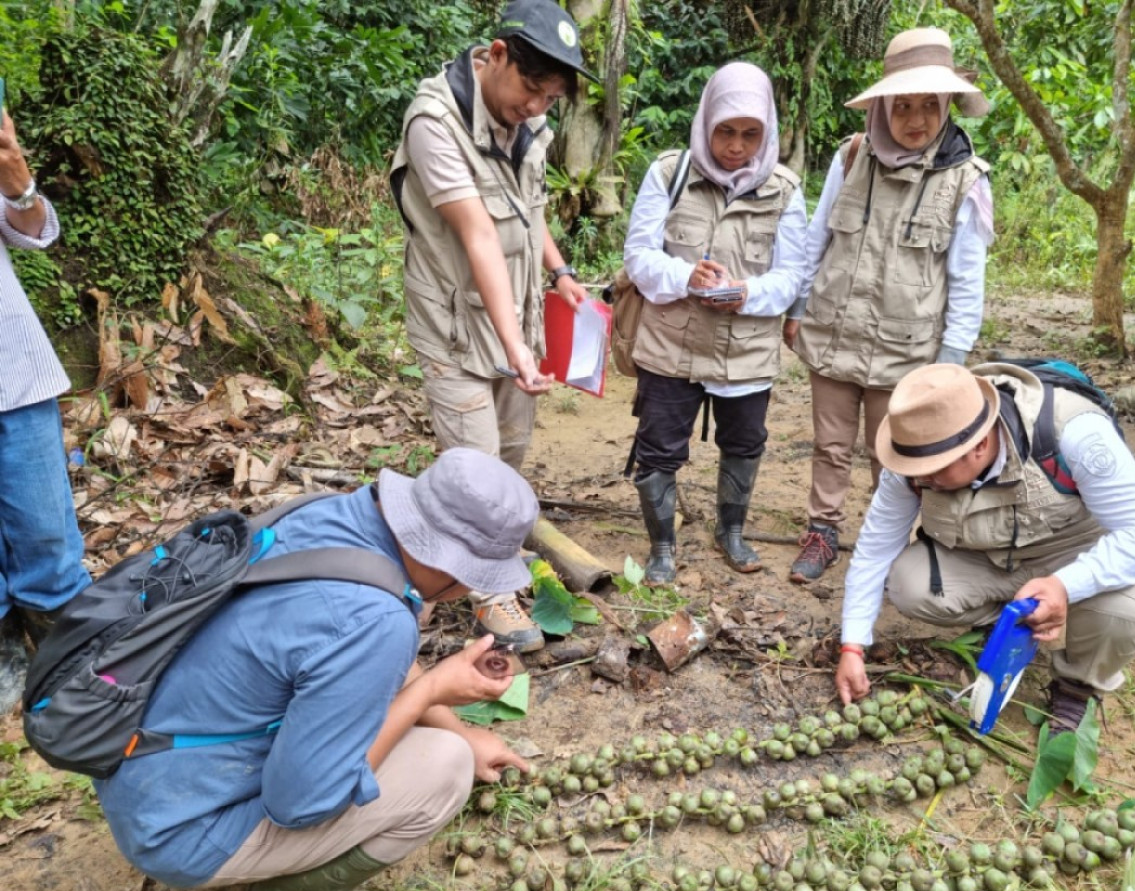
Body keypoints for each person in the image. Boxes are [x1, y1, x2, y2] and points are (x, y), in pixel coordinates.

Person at [93, 449, 536, 891]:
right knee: (445, 766)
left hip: (133, 765)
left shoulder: (332, 516)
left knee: (448, 740)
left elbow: (354, 646)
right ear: (447, 562)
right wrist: (432, 690)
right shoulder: (376, 621)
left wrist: (463, 729)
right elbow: (301, 806)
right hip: (177, 829)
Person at [388, 0, 594, 653]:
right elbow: (477, 233)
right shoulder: (434, 120)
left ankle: (480, 554)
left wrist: (559, 272)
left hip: (516, 318)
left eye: (550, 98)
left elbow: (525, 215)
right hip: (456, 326)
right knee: (472, 461)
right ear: (496, 54)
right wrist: (514, 349)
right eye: (531, 90)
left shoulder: (528, 128)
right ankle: (486, 597)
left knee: (507, 457)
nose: (537, 107)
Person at [833, 363, 1135, 735]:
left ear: (979, 444)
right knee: (910, 585)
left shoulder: (1072, 432)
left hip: (1071, 550)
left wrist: (1066, 585)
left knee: (1124, 611)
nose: (919, 479)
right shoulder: (916, 452)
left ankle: (1077, 686)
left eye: (933, 471)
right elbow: (876, 548)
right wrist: (852, 645)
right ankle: (1007, 624)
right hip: (985, 556)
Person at [784, 27, 995, 584]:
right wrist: (798, 307)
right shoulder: (851, 155)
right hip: (834, 330)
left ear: (950, 105)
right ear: (882, 104)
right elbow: (815, 239)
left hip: (907, 351)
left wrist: (950, 362)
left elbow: (966, 281)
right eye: (903, 104)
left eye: (930, 104)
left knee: (894, 460)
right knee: (829, 445)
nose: (916, 118)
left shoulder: (965, 181)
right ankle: (822, 533)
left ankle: (891, 547)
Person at [623, 61, 807, 584]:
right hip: (671, 344)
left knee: (745, 442)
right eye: (725, 131)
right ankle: (661, 546)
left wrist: (746, 292)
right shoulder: (668, 173)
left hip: (746, 349)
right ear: (705, 122)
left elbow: (793, 275)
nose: (736, 146)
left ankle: (732, 532)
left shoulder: (785, 190)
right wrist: (687, 277)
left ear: (767, 131)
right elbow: (638, 255)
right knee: (659, 447)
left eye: (751, 134)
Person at [0, 107, 92, 712]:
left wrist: (15, 175)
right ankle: (7, 644)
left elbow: (37, 233)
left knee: (45, 526)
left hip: (11, 365)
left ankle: (72, 647)